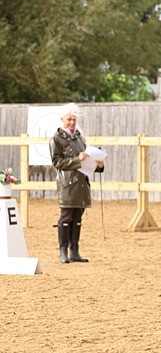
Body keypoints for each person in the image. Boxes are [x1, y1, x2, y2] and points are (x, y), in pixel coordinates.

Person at [50, 103, 103, 264]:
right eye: (69, 119)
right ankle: (63, 251)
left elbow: (86, 159)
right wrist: (76, 159)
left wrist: (98, 165)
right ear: (62, 119)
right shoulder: (56, 138)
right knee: (66, 216)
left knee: (78, 217)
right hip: (67, 184)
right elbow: (57, 162)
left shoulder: (80, 137)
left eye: (74, 119)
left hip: (81, 183)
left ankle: (74, 251)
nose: (72, 122)